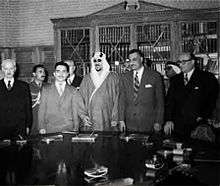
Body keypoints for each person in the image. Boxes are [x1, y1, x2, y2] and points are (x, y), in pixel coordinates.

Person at [164, 53, 219, 139]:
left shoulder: (207, 77)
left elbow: (212, 100)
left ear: (193, 62)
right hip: (178, 125)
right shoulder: (175, 79)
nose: (180, 65)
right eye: (179, 62)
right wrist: (168, 120)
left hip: (197, 126)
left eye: (184, 62)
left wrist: (203, 116)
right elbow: (170, 101)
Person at [119, 49, 164, 133]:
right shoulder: (124, 77)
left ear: (142, 59)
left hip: (149, 123)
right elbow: (122, 100)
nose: (131, 63)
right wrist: (121, 120)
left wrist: (159, 121)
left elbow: (160, 101)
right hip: (129, 123)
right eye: (130, 60)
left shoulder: (155, 76)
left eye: (134, 59)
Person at [79, 52, 119, 131]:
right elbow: (80, 99)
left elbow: (118, 98)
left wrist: (115, 117)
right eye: (95, 61)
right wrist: (83, 116)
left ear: (104, 61)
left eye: (99, 60)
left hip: (108, 116)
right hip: (90, 117)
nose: (97, 63)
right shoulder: (87, 78)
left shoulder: (113, 77)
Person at [38, 61, 80, 134]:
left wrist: (76, 128)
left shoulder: (73, 90)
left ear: (67, 74)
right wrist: (41, 127)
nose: (61, 74)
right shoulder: (46, 89)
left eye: (64, 71)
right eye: (58, 71)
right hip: (50, 128)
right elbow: (42, 110)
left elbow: (75, 111)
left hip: (68, 128)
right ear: (54, 74)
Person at [0, 59, 32, 139]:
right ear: (2, 70)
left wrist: (27, 125)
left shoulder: (24, 86)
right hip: (2, 128)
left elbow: (28, 108)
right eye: (6, 69)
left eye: (11, 68)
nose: (8, 71)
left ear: (15, 69)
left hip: (19, 128)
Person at [29, 64, 47, 135]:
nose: (43, 74)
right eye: (40, 72)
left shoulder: (49, 87)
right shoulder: (28, 87)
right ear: (34, 74)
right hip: (33, 118)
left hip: (46, 120)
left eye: (44, 72)